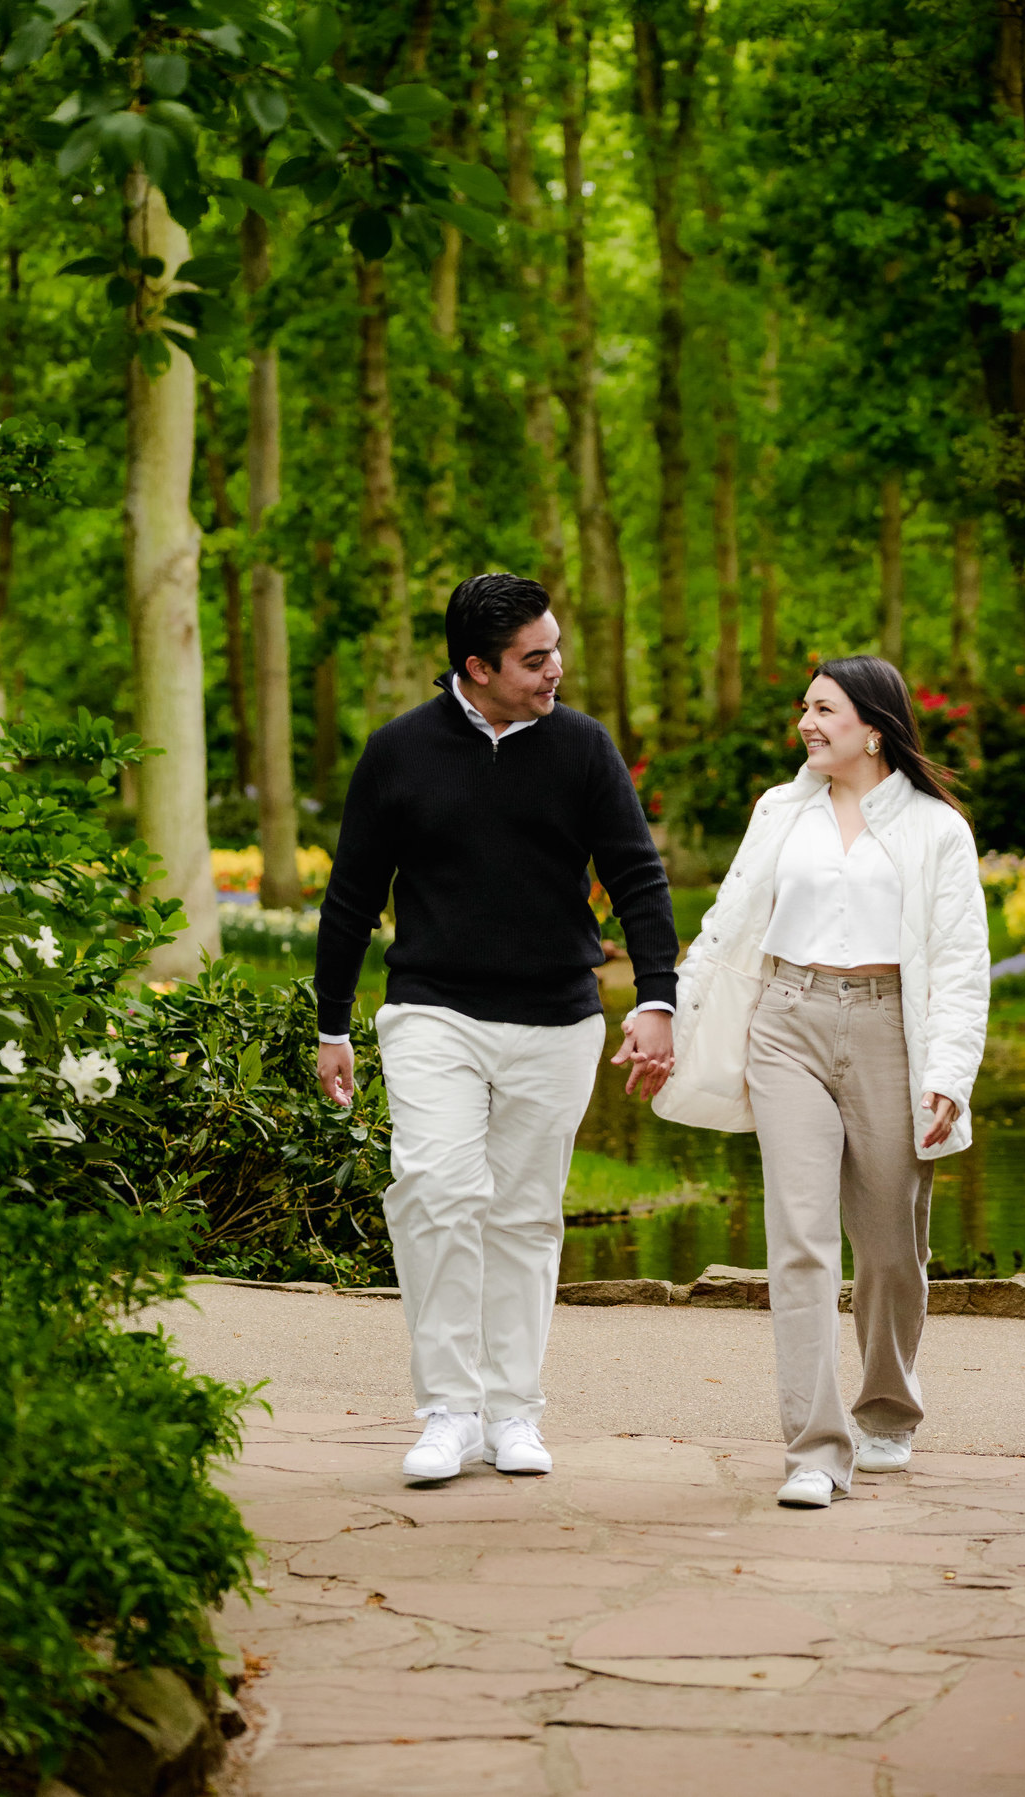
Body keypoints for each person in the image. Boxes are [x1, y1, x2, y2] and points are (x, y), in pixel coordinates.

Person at [315, 573, 678, 1483]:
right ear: (477, 668)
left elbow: (637, 876)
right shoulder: (398, 751)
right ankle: (449, 1409)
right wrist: (332, 1024)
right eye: (535, 658)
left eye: (556, 650)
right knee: (434, 1191)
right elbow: (351, 896)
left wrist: (657, 999)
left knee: (522, 1217)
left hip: (556, 1019)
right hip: (433, 1010)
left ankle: (513, 1410)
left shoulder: (584, 748)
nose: (557, 670)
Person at [654, 655, 988, 1507]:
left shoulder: (937, 830)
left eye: (825, 709)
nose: (806, 722)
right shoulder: (780, 810)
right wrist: (668, 1013)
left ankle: (887, 1409)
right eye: (804, 707)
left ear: (874, 728)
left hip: (890, 1030)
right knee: (800, 1240)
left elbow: (960, 962)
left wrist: (949, 1071)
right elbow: (726, 924)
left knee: (890, 1246)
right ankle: (814, 1448)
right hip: (786, 1023)